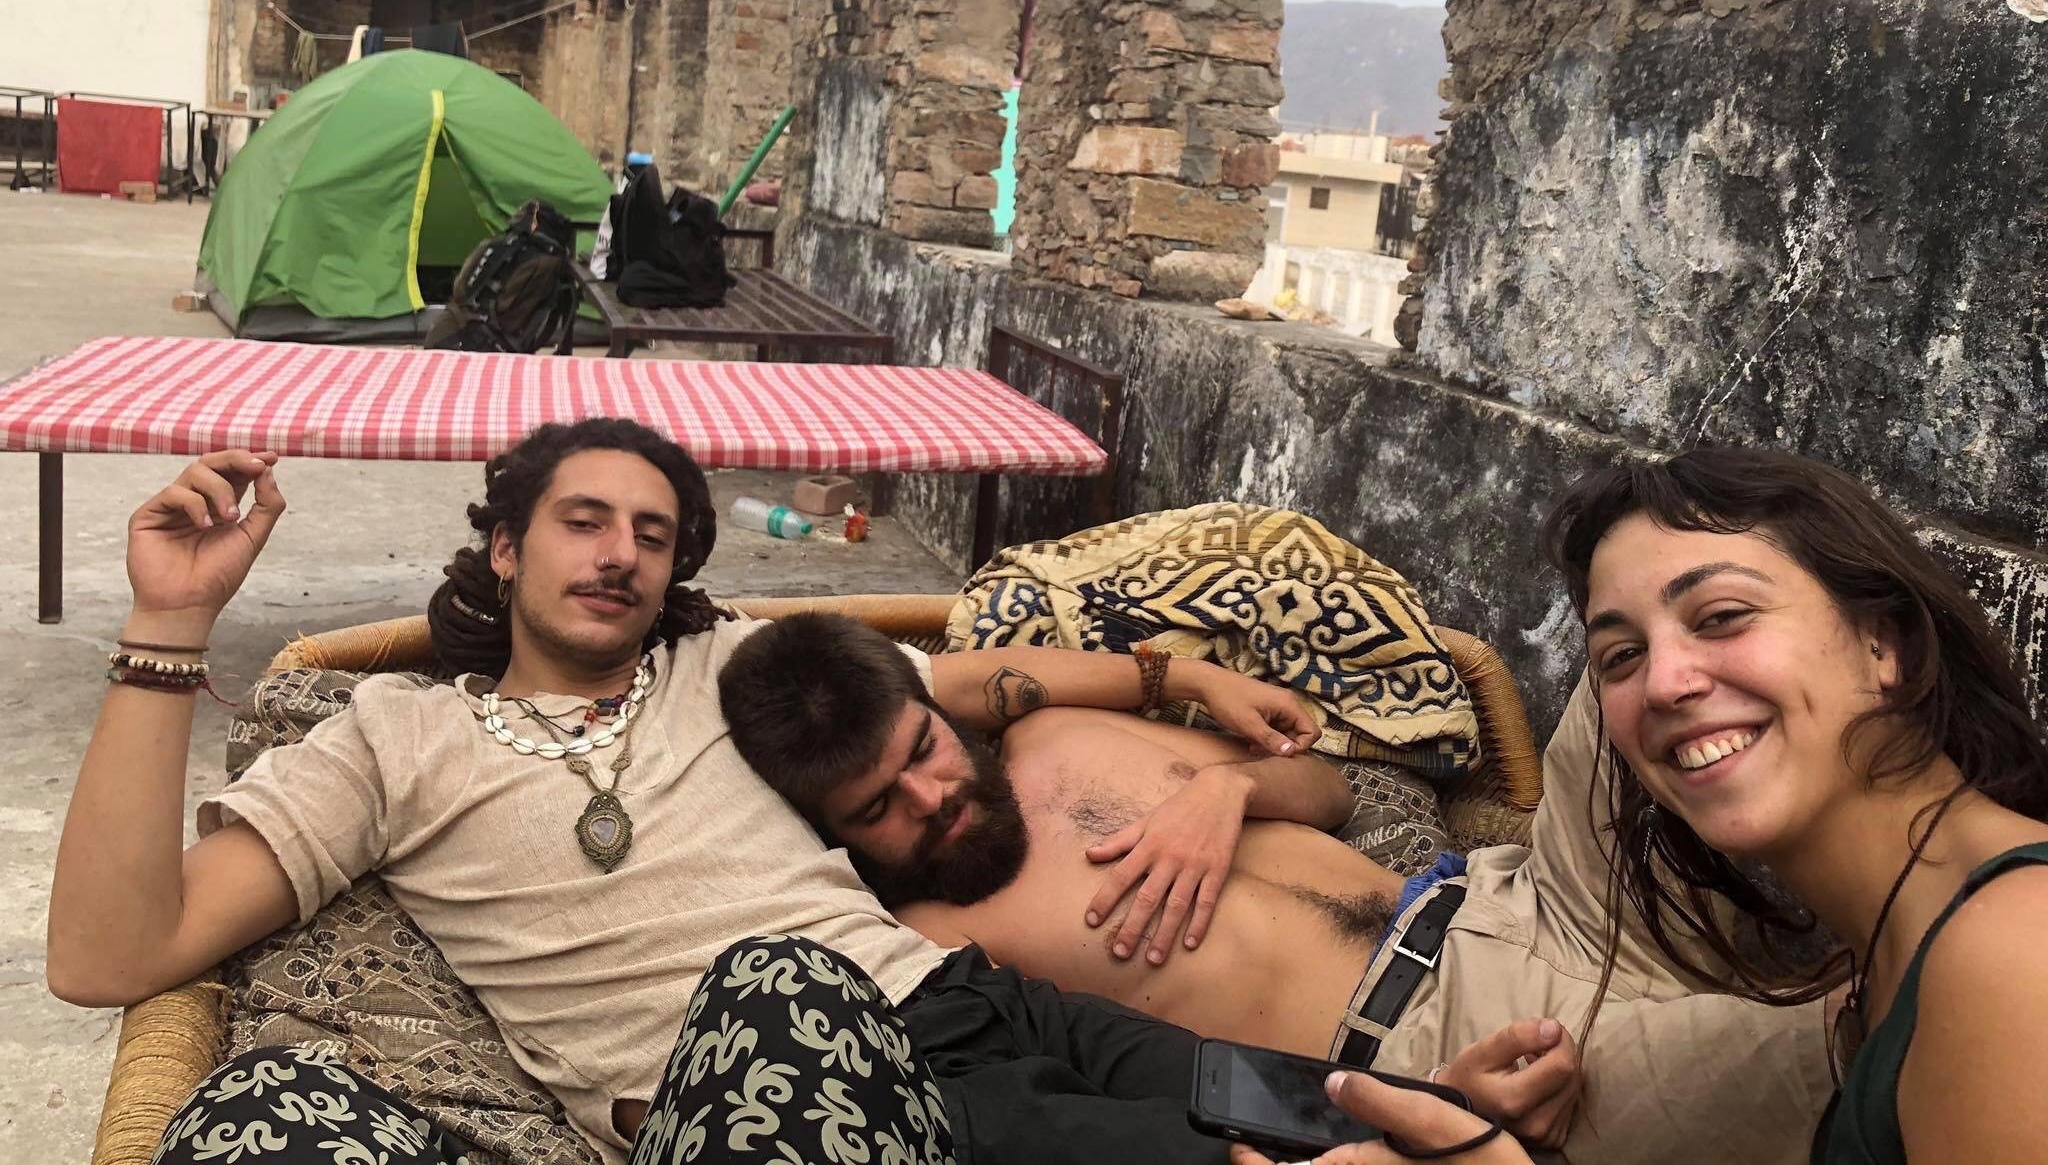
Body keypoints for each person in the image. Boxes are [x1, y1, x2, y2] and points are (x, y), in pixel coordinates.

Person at [46, 418, 1324, 1165]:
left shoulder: (728, 667)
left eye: (652, 535)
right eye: (584, 522)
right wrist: (170, 624)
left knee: (1312, 1114)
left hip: (969, 1022)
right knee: (255, 1116)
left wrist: (1175, 680)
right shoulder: (394, 739)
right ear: (504, 546)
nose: (619, 555)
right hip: (736, 1109)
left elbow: (971, 685)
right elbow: (113, 954)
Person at [718, 612, 1840, 1163]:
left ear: (943, 711)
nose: (929, 798)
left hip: (1508, 894)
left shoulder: (1058, 731)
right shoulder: (935, 948)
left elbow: (1325, 787)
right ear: (837, 835)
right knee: (1836, 1054)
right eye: (879, 807)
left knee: (1650, 622)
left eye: (923, 749)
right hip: (1447, 1043)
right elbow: (1107, 1107)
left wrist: (1228, 794)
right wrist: (1409, 1119)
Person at [1231, 446, 2048, 1165]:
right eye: (1618, 657)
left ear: (1885, 643)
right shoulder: (1899, 950)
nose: (1664, 682)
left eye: (1723, 617)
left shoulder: (2011, 949)